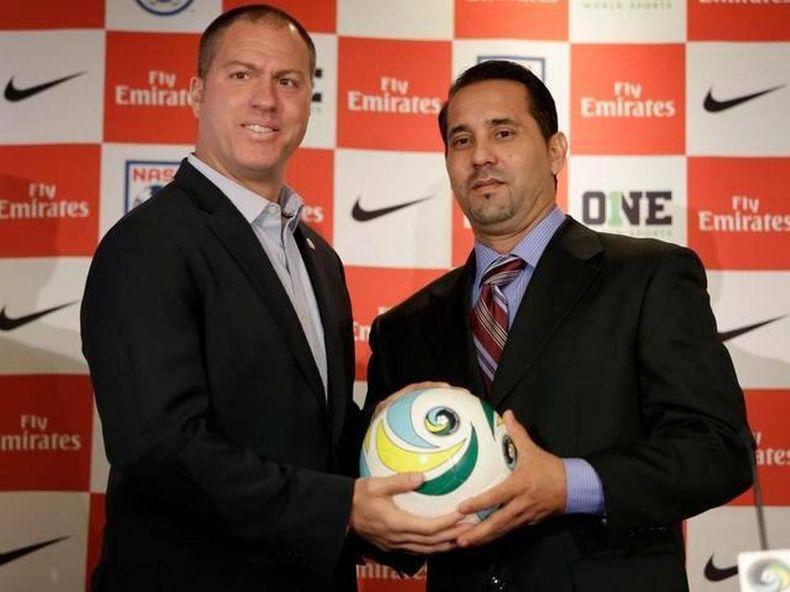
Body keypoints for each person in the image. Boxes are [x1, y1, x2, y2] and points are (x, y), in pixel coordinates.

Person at [81, 5, 460, 591]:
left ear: (309, 100)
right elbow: (160, 448)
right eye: (242, 75)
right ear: (197, 93)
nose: (266, 100)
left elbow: (311, 436)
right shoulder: (148, 244)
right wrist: (343, 509)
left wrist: (403, 450)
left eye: (288, 81)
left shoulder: (319, 257)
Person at [364, 60, 754, 591]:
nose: (481, 155)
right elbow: (385, 521)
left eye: (503, 132)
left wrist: (569, 485)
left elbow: (718, 451)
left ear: (555, 151)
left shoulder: (648, 277)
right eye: (461, 140)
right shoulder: (404, 327)